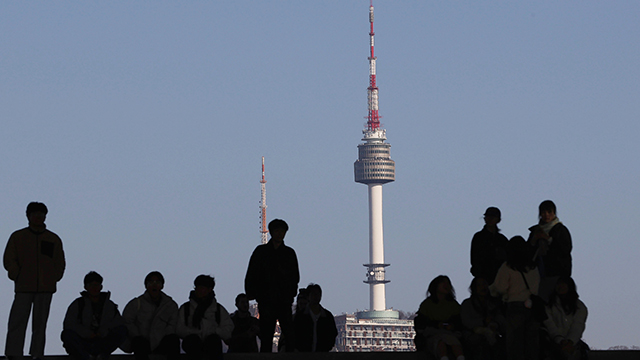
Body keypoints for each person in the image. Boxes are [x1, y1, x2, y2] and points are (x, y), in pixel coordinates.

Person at [4, 202, 66, 360]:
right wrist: (16, 274)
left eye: (41, 214)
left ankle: (37, 354)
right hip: (24, 286)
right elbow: (9, 258)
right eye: (35, 214)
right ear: (28, 216)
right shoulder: (18, 237)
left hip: (45, 288)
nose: (38, 217)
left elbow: (59, 261)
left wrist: (54, 277)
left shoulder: (53, 239)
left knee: (40, 325)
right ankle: (14, 353)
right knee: (17, 321)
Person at [244, 219, 300, 352]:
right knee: (266, 335)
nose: (280, 234)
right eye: (277, 231)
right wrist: (253, 293)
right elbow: (252, 273)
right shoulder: (261, 252)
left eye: (282, 231)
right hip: (266, 299)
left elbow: (295, 277)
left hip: (283, 300)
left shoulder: (289, 253)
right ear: (271, 232)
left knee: (288, 335)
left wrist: (290, 294)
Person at [490, 236, 540, 360]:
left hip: (514, 306)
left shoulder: (507, 266)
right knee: (531, 344)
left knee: (514, 345)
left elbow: (500, 288)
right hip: (532, 307)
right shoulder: (533, 267)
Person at [61, 271, 127, 360]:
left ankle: (102, 355)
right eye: (91, 285)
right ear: (85, 287)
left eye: (97, 285)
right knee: (66, 335)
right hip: (83, 342)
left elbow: (118, 322)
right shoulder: (78, 304)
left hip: (102, 341)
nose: (94, 288)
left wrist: (102, 332)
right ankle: (86, 357)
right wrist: (87, 333)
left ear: (101, 287)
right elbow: (69, 324)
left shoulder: (109, 305)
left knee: (122, 330)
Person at [120, 271, 180, 360]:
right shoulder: (135, 304)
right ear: (146, 286)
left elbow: (173, 325)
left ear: (162, 286)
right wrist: (139, 336)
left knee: (173, 340)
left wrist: (159, 338)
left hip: (162, 343)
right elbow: (127, 322)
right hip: (142, 343)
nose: (154, 285)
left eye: (158, 282)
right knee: (138, 342)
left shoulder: (171, 305)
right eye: (151, 282)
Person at [177, 275, 233, 360]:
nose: (198, 290)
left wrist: (213, 331)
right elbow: (178, 328)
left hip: (212, 345)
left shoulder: (218, 309)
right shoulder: (186, 308)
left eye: (202, 288)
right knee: (193, 341)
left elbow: (228, 329)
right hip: (192, 344)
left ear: (209, 290)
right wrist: (193, 333)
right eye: (197, 287)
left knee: (213, 341)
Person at [527, 200, 572, 301]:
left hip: (558, 273)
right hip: (538, 273)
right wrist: (534, 240)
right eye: (543, 212)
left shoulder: (560, 229)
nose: (546, 215)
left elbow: (565, 249)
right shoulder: (536, 230)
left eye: (549, 212)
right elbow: (528, 252)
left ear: (554, 213)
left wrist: (548, 239)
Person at [414, 275, 466, 360]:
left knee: (454, 343)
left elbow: (459, 322)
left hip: (450, 334)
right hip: (433, 334)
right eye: (443, 282)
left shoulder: (453, 305)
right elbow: (421, 324)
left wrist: (452, 326)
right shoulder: (427, 305)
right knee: (441, 343)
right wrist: (437, 325)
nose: (446, 285)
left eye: (448, 283)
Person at [542, 277, 588, 360]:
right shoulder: (549, 305)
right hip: (554, 342)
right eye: (559, 284)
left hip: (572, 344)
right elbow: (549, 324)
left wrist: (570, 341)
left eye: (563, 284)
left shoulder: (579, 306)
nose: (561, 287)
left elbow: (578, 326)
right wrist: (560, 340)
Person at [460, 277, 505, 360]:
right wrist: (483, 322)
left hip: (493, 333)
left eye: (484, 284)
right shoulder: (467, 304)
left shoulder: (493, 303)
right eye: (479, 285)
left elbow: (500, 318)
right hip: (473, 335)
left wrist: (495, 324)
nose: (482, 287)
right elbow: (466, 322)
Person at [293, 284, 338, 352]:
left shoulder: (327, 316)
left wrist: (327, 347)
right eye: (313, 294)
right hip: (304, 354)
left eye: (318, 294)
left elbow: (332, 333)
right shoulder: (300, 316)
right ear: (308, 296)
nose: (316, 297)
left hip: (321, 353)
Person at [470, 207, 509, 284]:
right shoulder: (479, 237)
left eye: (493, 217)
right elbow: (474, 259)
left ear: (498, 220)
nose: (490, 219)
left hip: (499, 278)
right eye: (488, 216)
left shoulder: (502, 239)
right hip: (484, 277)